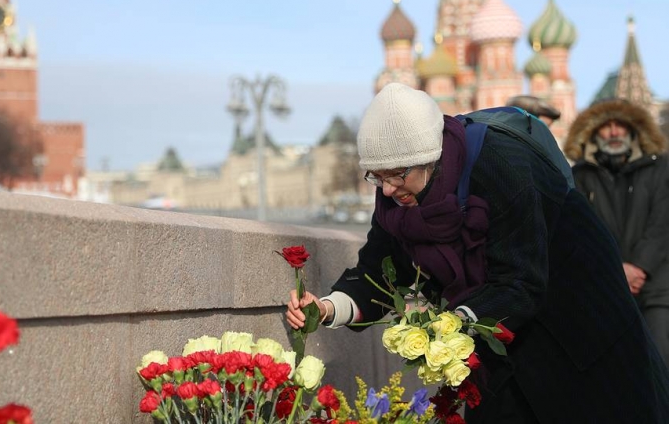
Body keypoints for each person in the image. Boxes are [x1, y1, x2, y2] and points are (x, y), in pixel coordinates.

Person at [286, 83, 669, 423]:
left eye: (396, 175)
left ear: (430, 158)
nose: (386, 189)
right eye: (376, 176)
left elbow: (520, 280)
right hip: (495, 330)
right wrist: (327, 308)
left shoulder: (500, 162)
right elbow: (379, 270)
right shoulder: (397, 193)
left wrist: (449, 328)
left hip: (576, 319)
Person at [564, 99, 669, 367]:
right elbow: (579, 232)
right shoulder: (580, 176)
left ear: (634, 131)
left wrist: (637, 267)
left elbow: (662, 224)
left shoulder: (660, 169)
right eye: (606, 126)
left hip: (657, 290)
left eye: (619, 125)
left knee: (661, 365)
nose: (613, 132)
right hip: (603, 289)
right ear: (592, 132)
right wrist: (615, 270)